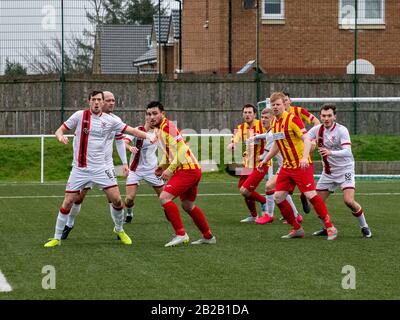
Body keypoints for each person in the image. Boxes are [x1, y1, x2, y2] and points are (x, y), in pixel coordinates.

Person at [44, 90, 155, 247]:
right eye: (94, 99)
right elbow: (60, 129)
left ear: (102, 103)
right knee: (69, 201)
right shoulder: (79, 116)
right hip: (80, 169)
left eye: (99, 100)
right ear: (89, 101)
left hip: (102, 168)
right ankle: (56, 237)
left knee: (116, 200)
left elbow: (131, 130)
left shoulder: (112, 121)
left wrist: (149, 136)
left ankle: (119, 229)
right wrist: (60, 136)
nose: (96, 102)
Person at [258, 92, 337, 240]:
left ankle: (330, 226)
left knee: (310, 195)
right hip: (287, 167)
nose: (275, 107)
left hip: (301, 166)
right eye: (273, 105)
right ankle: (297, 228)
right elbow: (277, 144)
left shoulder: (292, 119)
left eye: (278, 104)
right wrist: (265, 159)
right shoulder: (274, 122)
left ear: (284, 104)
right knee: (278, 197)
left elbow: (306, 138)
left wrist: (305, 157)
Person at [60, 91, 129, 240]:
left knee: (115, 199)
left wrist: (124, 163)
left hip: (106, 166)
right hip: (85, 166)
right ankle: (69, 224)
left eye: (113, 100)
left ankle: (119, 229)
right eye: (108, 100)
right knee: (78, 198)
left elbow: (119, 141)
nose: (111, 103)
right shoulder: (84, 117)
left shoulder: (115, 120)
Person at [147, 101, 216, 247]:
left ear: (162, 114)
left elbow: (183, 148)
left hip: (187, 169)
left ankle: (181, 234)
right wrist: (162, 166)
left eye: (154, 113)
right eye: (148, 114)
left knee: (164, 197)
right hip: (189, 169)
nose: (151, 117)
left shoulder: (168, 127)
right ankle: (208, 236)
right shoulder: (158, 129)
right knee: (188, 205)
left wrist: (170, 169)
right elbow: (171, 151)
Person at [308, 103, 372, 238]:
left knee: (349, 201)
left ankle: (364, 226)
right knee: (316, 203)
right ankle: (327, 227)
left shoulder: (342, 130)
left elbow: (348, 152)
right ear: (320, 116)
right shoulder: (317, 130)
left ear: (334, 117)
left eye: (329, 116)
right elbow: (304, 139)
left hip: (345, 170)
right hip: (328, 173)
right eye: (323, 116)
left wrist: (330, 152)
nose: (326, 118)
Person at [247, 107, 302, 225]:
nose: (263, 120)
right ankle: (296, 215)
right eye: (262, 117)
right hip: (287, 166)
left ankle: (269, 215)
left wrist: (255, 157)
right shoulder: (271, 132)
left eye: (267, 118)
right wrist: (256, 137)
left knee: (269, 186)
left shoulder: (272, 134)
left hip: (288, 167)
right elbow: (267, 135)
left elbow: (268, 153)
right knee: (280, 191)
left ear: (273, 119)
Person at [227, 104, 267, 222]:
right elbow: (235, 141)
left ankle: (264, 201)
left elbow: (272, 138)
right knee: (242, 188)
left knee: (245, 190)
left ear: (255, 115)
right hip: (247, 164)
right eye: (245, 112)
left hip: (261, 164)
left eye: (250, 112)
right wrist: (232, 145)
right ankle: (254, 215)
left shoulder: (262, 125)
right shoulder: (241, 128)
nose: (247, 115)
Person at [283, 92, 320, 214]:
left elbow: (316, 122)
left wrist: (312, 139)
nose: (283, 102)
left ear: (290, 101)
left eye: (285, 100)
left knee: (302, 172)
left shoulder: (298, 111)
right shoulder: (278, 117)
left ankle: (303, 196)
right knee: (281, 188)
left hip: (301, 149)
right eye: (281, 100)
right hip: (285, 151)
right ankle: (291, 211)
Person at [123, 113, 164, 223]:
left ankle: (168, 212)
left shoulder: (158, 132)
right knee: (129, 199)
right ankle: (129, 213)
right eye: (150, 117)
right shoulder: (137, 130)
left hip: (152, 170)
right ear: (146, 118)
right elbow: (124, 142)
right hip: (135, 170)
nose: (152, 120)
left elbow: (166, 148)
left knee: (164, 197)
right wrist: (130, 147)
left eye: (154, 118)